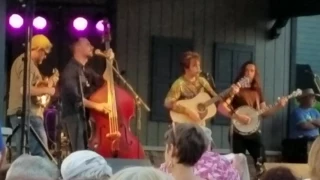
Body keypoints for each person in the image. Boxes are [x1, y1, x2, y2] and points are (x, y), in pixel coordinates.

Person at [218, 61, 287, 176]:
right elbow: (221, 107)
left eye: (252, 70)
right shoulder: (235, 89)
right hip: (237, 133)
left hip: (254, 131)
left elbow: (264, 113)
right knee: (238, 165)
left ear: (255, 74)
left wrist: (278, 106)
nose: (248, 73)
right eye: (246, 70)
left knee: (261, 161)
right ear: (242, 72)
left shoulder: (257, 91)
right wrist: (237, 116)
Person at [7, 34, 57, 160]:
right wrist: (49, 90)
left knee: (24, 156)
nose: (45, 57)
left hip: (25, 113)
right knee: (40, 155)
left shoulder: (26, 63)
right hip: (29, 114)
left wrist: (48, 82)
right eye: (44, 53)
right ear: (39, 49)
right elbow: (25, 89)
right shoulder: (26, 63)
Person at [60, 37, 114, 152]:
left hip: (84, 118)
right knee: (78, 152)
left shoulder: (86, 70)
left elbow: (104, 82)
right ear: (78, 47)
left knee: (84, 150)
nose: (92, 47)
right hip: (73, 117)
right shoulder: (70, 70)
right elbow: (76, 98)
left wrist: (110, 62)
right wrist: (97, 106)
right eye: (88, 44)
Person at [164, 51, 237, 126]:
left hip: (199, 123)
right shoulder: (179, 84)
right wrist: (189, 112)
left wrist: (230, 93)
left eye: (199, 65)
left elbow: (216, 97)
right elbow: (168, 103)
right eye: (195, 66)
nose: (198, 68)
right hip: (182, 124)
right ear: (186, 68)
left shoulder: (202, 81)